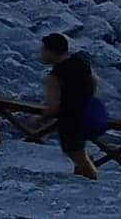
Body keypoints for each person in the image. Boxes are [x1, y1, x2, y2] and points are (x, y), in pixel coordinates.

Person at [40, 32, 99, 180]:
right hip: (86, 116)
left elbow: (53, 106)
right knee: (80, 155)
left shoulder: (54, 76)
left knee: (79, 158)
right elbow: (94, 82)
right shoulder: (81, 64)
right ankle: (82, 181)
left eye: (43, 50)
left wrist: (38, 120)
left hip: (69, 122)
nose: (41, 54)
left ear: (50, 51)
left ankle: (95, 187)